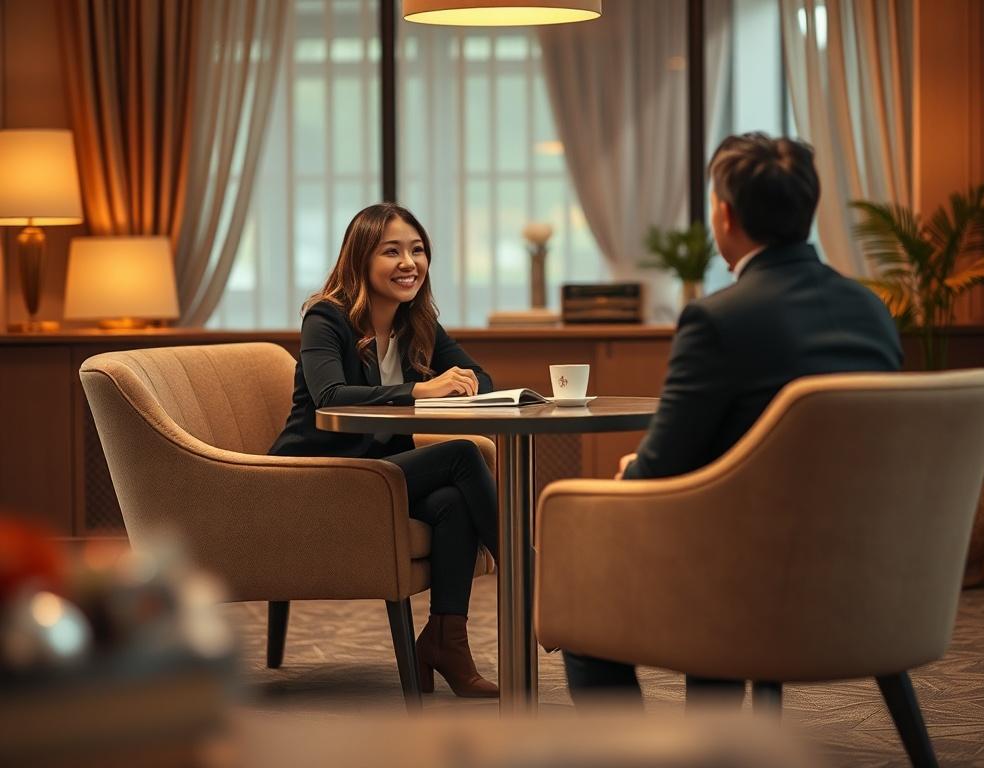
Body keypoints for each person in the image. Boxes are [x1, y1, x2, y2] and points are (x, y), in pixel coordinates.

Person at [562, 133, 904, 705]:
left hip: (747, 580)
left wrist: (634, 469)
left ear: (725, 214)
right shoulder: (871, 310)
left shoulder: (719, 320)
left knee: (578, 594)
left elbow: (660, 472)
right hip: (871, 579)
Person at [270, 202, 499, 698]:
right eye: (391, 251)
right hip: (314, 478)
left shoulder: (416, 324)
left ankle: (445, 641)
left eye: (417, 250)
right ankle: (532, 576)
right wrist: (422, 390)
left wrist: (458, 382)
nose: (409, 263)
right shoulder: (325, 318)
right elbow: (330, 397)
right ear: (361, 259)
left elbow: (481, 378)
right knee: (462, 455)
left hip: (375, 474)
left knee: (454, 504)